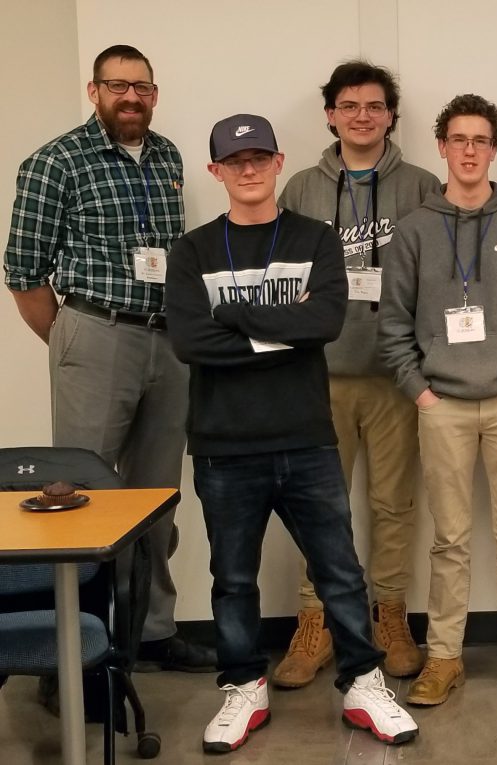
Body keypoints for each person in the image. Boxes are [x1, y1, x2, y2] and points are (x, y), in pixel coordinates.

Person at [165, 114, 418, 751]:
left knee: (338, 570)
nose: (247, 170)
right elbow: (191, 341)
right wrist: (281, 328)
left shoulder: (316, 239)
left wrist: (233, 315)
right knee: (234, 579)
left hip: (306, 436)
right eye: (234, 161)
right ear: (214, 171)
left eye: (258, 158)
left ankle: (364, 681)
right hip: (226, 444)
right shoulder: (192, 250)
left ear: (279, 162)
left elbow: (326, 322)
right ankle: (243, 686)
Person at [3, 44, 213, 671]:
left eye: (141, 87)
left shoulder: (169, 157)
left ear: (154, 93)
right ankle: (70, 651)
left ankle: (151, 633)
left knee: (156, 499)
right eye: (117, 85)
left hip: (167, 340)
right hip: (96, 334)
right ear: (93, 91)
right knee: (80, 500)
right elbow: (23, 275)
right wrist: (75, 343)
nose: (131, 97)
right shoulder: (54, 162)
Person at [379, 94, 497, 707]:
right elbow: (393, 327)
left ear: (494, 149)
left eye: (480, 141)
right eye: (458, 140)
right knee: (449, 541)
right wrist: (423, 394)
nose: (469, 151)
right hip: (443, 406)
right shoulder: (413, 230)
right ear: (442, 147)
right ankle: (443, 659)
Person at [275, 60, 439, 688]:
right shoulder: (300, 189)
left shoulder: (424, 186)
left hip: (398, 375)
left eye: (374, 105)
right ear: (330, 114)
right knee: (320, 506)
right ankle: (315, 621)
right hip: (319, 375)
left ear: (391, 115)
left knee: (392, 503)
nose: (362, 116)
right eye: (350, 106)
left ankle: (389, 616)